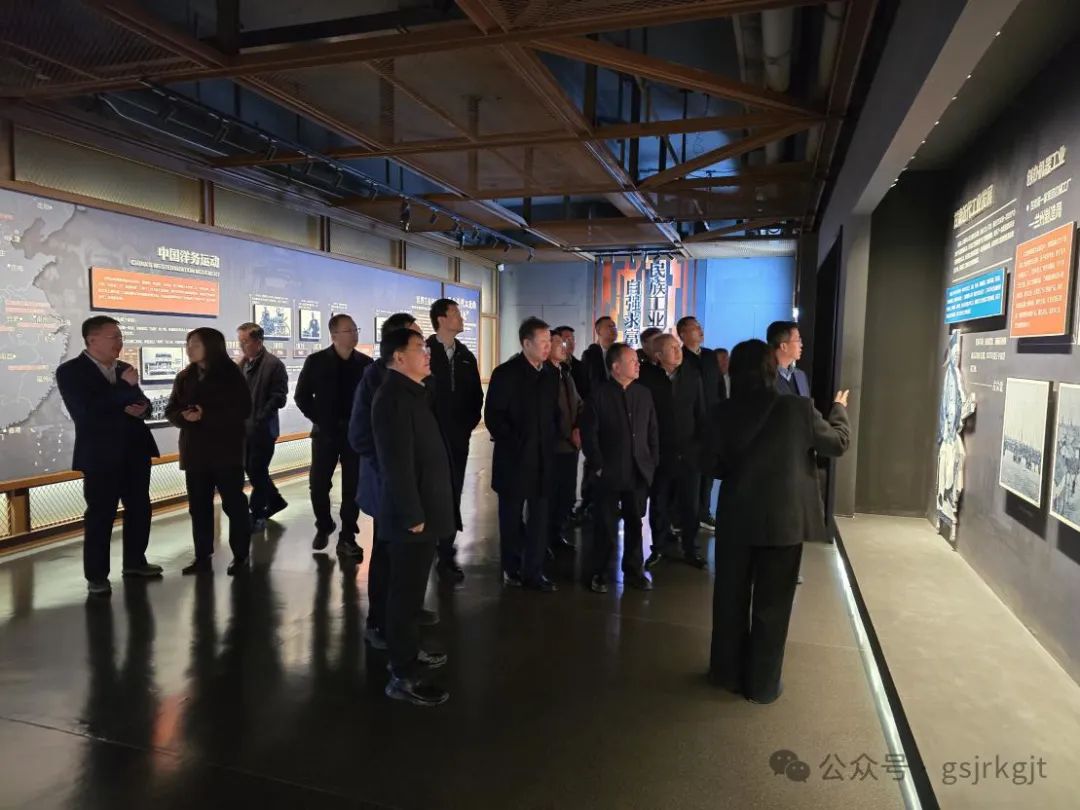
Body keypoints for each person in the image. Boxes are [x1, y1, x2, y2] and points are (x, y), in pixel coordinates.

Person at [708, 339, 849, 704]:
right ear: (772, 368)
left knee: (729, 600)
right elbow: (837, 443)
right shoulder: (796, 408)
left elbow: (709, 461)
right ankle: (763, 685)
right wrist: (839, 410)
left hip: (736, 518)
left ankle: (726, 674)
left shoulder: (723, 411)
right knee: (773, 606)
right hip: (782, 521)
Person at [372, 328, 457, 707]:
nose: (427, 353)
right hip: (412, 516)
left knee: (411, 593)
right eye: (419, 348)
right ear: (398, 357)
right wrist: (412, 513)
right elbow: (396, 464)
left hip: (424, 510)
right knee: (404, 597)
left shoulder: (413, 393)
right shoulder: (392, 398)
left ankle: (407, 654)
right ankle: (402, 674)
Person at [56, 316, 161, 595]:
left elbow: (143, 402)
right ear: (92, 339)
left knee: (140, 509)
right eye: (114, 336)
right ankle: (97, 576)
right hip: (100, 455)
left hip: (135, 450)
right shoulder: (71, 371)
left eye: (120, 336)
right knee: (101, 515)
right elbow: (86, 411)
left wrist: (143, 408)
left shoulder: (124, 368)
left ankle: (135, 562)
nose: (120, 341)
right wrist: (124, 389)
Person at [349, 312, 428, 651]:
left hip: (409, 484)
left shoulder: (414, 382)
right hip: (387, 486)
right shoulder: (377, 380)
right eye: (417, 342)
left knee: (407, 560)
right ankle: (379, 622)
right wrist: (391, 466)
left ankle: (404, 615)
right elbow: (360, 435)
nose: (424, 350)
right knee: (386, 556)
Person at [165, 328, 253, 576]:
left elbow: (243, 410)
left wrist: (207, 415)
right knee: (199, 507)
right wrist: (183, 417)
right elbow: (171, 409)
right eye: (188, 344)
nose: (189, 349)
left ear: (211, 346)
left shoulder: (231, 375)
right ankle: (202, 556)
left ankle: (241, 555)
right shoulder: (185, 376)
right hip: (195, 453)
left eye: (195, 344)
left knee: (234, 505)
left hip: (226, 452)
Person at [485, 316, 560, 592]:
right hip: (514, 459)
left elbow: (553, 413)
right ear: (526, 343)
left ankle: (535, 571)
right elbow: (494, 417)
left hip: (543, 459)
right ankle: (511, 567)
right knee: (511, 518)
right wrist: (517, 442)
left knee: (540, 518)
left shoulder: (550, 374)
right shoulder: (506, 373)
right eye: (543, 342)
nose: (548, 346)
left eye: (549, 341)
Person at [581, 343, 659, 593]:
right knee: (605, 525)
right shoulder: (599, 395)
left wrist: (651, 462)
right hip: (609, 471)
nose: (638, 364)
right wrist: (598, 465)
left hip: (638, 470)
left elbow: (652, 431)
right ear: (616, 367)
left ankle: (634, 571)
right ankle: (600, 572)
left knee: (635, 523)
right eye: (632, 361)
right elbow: (589, 435)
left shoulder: (643, 394)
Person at [294, 313, 372, 557]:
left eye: (356, 329)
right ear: (334, 335)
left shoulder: (366, 364)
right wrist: (320, 419)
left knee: (353, 486)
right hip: (325, 433)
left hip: (354, 435)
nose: (354, 334)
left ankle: (347, 536)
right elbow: (301, 396)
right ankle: (324, 524)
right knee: (318, 484)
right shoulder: (316, 361)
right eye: (349, 330)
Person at [426, 298, 484, 584]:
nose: (461, 318)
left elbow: (476, 397)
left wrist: (466, 426)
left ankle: (445, 552)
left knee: (452, 493)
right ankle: (426, 547)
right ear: (441, 319)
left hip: (458, 440)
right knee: (429, 494)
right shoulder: (424, 352)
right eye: (456, 314)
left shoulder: (465, 356)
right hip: (428, 442)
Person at [638, 334, 708, 569]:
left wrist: (701, 446)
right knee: (659, 503)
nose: (679, 352)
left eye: (678, 347)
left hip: (689, 452)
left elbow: (700, 413)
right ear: (658, 355)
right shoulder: (648, 378)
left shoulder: (692, 375)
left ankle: (691, 549)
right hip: (660, 453)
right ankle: (658, 548)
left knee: (690, 505)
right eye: (672, 348)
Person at [236, 323, 289, 532]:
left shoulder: (273, 365)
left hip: (263, 430)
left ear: (258, 342)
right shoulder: (242, 364)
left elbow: (279, 397)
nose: (241, 346)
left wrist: (260, 417)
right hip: (244, 430)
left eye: (245, 341)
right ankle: (275, 500)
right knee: (252, 469)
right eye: (240, 341)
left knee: (257, 470)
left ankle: (257, 514)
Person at [677, 316, 722, 531]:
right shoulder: (679, 357)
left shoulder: (710, 356)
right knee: (690, 472)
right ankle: (685, 516)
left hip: (712, 420)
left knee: (709, 470)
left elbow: (719, 386)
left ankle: (705, 512)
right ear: (683, 334)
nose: (700, 331)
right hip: (690, 423)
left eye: (699, 327)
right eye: (694, 328)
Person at [548, 329, 583, 552]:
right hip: (554, 446)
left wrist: (578, 427)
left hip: (570, 446)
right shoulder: (544, 375)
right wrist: (567, 432)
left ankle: (556, 535)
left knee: (566, 494)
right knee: (549, 496)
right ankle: (544, 540)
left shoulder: (565, 373)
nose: (563, 347)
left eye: (565, 343)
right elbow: (549, 413)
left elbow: (578, 404)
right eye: (558, 343)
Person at [767, 321, 810, 397]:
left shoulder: (800, 375)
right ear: (784, 346)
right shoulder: (765, 377)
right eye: (797, 340)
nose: (801, 345)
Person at [581, 315, 617, 392]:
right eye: (609, 326)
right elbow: (584, 382)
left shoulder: (620, 352)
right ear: (598, 331)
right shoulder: (589, 355)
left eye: (614, 326)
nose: (613, 329)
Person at [554, 325, 589, 401]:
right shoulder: (551, 367)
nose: (571, 342)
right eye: (567, 339)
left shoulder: (581, 366)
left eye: (573, 339)